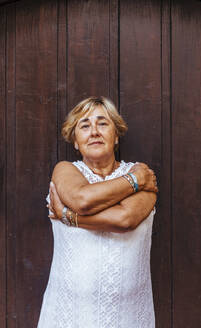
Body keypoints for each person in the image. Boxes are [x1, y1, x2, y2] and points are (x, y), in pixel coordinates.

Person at [37, 96, 158, 328]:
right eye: (84, 126)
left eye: (102, 123)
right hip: (70, 314)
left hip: (129, 315)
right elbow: (83, 200)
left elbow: (125, 219)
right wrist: (134, 181)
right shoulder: (65, 171)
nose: (94, 132)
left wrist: (67, 215)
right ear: (75, 141)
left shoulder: (142, 174)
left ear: (116, 136)